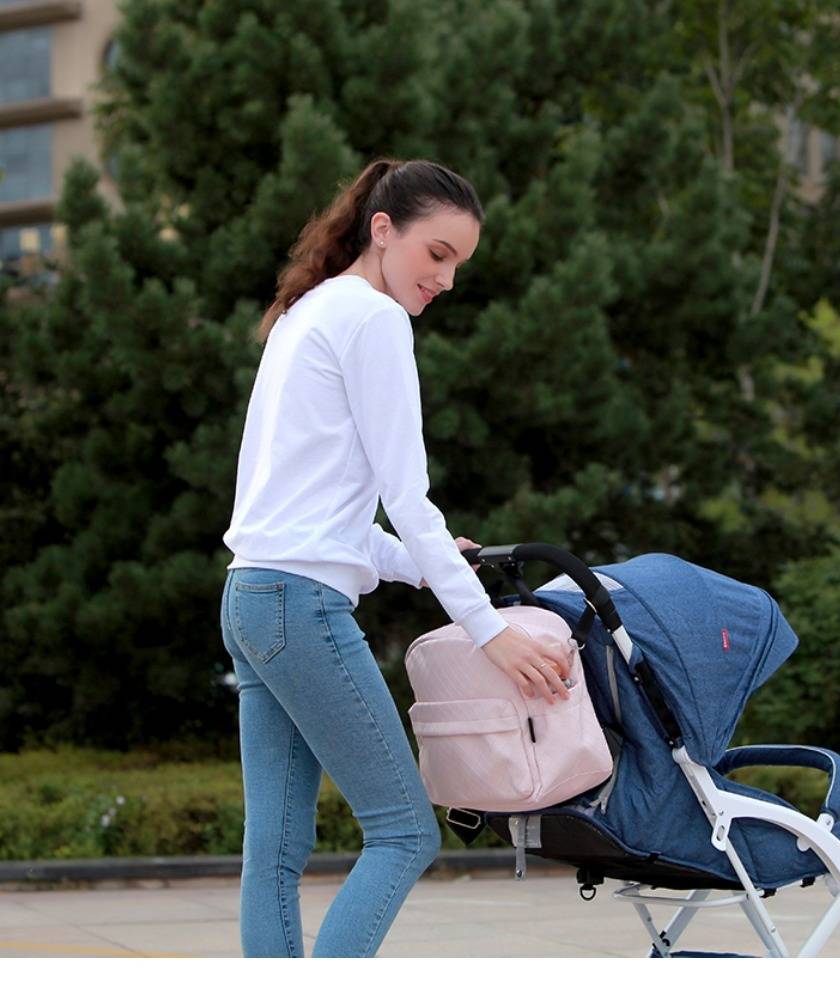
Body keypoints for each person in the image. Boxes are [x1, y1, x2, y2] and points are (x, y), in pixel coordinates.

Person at [219, 158, 571, 958]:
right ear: (383, 230)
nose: (445, 280)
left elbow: (317, 518)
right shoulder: (375, 320)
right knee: (405, 831)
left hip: (252, 600)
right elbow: (407, 500)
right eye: (437, 254)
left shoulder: (307, 312)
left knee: (273, 850)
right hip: (299, 609)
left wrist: (423, 562)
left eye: (459, 265)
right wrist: (489, 630)